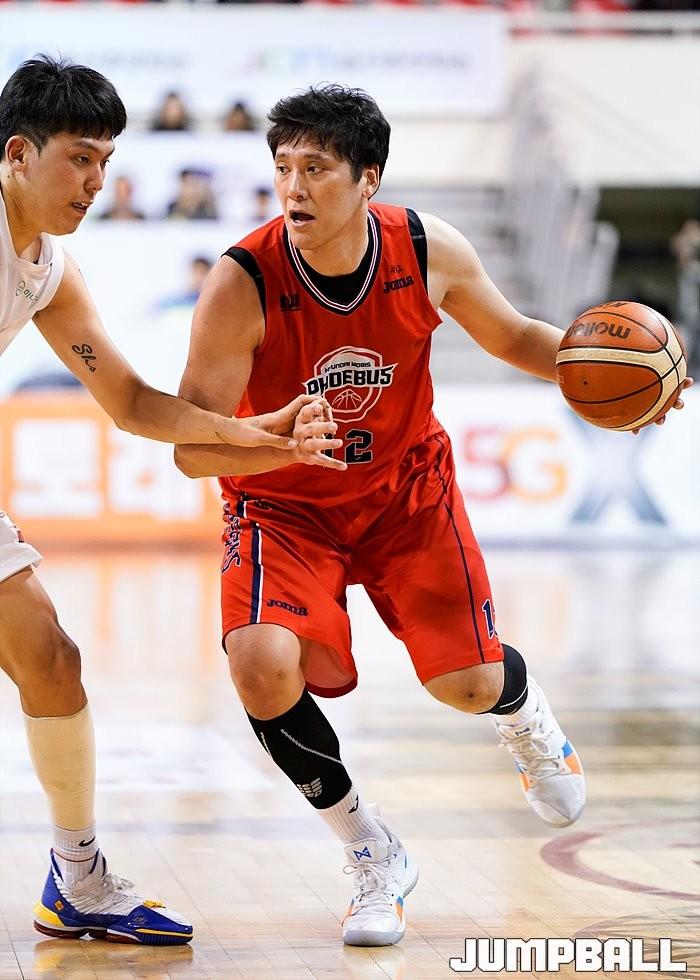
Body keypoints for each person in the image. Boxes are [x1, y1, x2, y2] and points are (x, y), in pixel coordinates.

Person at [174, 85, 692, 948]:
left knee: (467, 686)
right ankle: (370, 850)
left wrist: (631, 384)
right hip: (282, 505)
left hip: (406, 494)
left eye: (316, 169)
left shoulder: (425, 249)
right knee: (260, 665)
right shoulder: (242, 281)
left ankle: (522, 715)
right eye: (284, 168)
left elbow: (515, 335)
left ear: (368, 179)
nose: (294, 187)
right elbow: (193, 450)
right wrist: (279, 446)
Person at [0, 55, 332, 947]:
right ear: (18, 155)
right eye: (79, 158)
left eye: (105, 161)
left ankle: (77, 879)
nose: (95, 181)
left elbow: (134, 403)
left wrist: (254, 433)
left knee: (52, 660)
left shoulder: (46, 272)